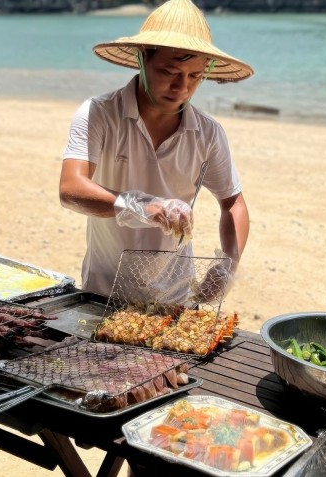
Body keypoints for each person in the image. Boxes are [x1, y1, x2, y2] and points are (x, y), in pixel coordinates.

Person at [59, 0, 253, 302]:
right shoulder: (100, 113)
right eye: (168, 71)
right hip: (104, 290)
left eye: (195, 76)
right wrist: (138, 205)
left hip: (177, 296)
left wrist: (228, 264)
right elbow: (71, 188)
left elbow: (233, 203)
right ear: (142, 58)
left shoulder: (207, 133)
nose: (181, 87)